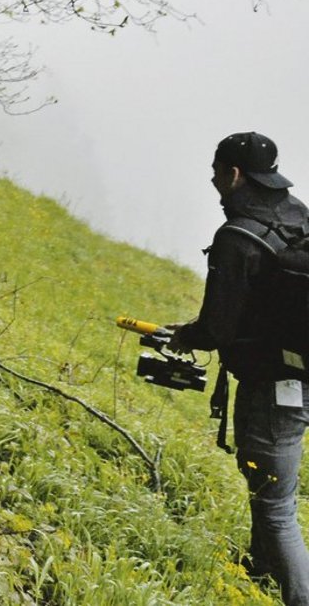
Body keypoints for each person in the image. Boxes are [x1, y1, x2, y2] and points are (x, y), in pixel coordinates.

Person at [169, 132, 309, 605]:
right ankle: (261, 569)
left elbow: (216, 330)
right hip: (297, 376)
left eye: (215, 171)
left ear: (233, 174)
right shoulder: (298, 215)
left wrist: (183, 335)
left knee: (277, 508)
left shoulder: (236, 237)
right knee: (264, 481)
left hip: (273, 386)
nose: (211, 180)